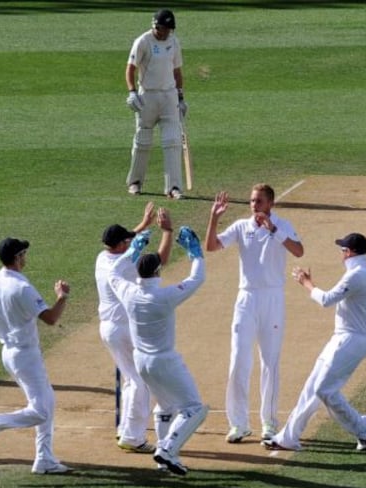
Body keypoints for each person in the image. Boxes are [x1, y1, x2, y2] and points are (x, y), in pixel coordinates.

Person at [107, 215, 208, 476]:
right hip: (165, 361)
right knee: (195, 409)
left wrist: (133, 249)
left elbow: (114, 273)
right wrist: (194, 253)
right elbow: (196, 279)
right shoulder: (164, 296)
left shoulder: (128, 292)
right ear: (158, 272)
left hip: (142, 362)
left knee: (165, 407)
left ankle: (163, 461)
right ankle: (166, 449)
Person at [205, 184, 305, 444]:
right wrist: (214, 218)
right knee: (238, 359)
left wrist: (273, 230)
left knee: (269, 363)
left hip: (272, 298)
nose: (254, 205)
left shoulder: (282, 224)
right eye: (251, 201)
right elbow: (212, 246)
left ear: (270, 204)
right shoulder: (241, 227)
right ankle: (238, 424)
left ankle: (270, 423)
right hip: (246, 298)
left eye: (259, 201)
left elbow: (298, 250)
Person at [0, 238, 73, 475]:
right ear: (17, 257)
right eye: (23, 254)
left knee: (48, 401)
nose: (26, 258)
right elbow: (51, 319)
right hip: (25, 356)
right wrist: (62, 297)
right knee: (41, 411)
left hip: (9, 353)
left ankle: (44, 458)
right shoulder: (22, 288)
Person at [262, 233, 366, 452]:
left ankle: (363, 426)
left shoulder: (357, 275)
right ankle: (288, 437)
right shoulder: (359, 272)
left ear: (350, 253)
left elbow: (326, 300)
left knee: (324, 390)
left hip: (351, 340)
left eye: (343, 249)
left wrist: (307, 283)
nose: (341, 253)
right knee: (312, 387)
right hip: (342, 338)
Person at [96, 203, 173, 453]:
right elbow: (159, 260)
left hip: (108, 329)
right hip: (123, 330)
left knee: (131, 379)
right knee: (142, 382)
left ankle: (126, 430)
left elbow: (125, 244)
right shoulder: (128, 263)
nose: (131, 242)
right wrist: (167, 232)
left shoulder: (103, 257)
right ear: (120, 245)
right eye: (127, 241)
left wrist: (143, 226)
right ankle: (132, 437)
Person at [124, 8, 189, 199]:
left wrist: (181, 97)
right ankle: (135, 182)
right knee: (142, 140)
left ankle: (174, 187)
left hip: (169, 96)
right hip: (148, 96)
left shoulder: (174, 42)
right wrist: (132, 92)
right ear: (156, 26)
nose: (167, 33)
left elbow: (177, 72)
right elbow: (130, 69)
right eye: (164, 29)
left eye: (170, 30)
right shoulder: (143, 42)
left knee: (173, 141)